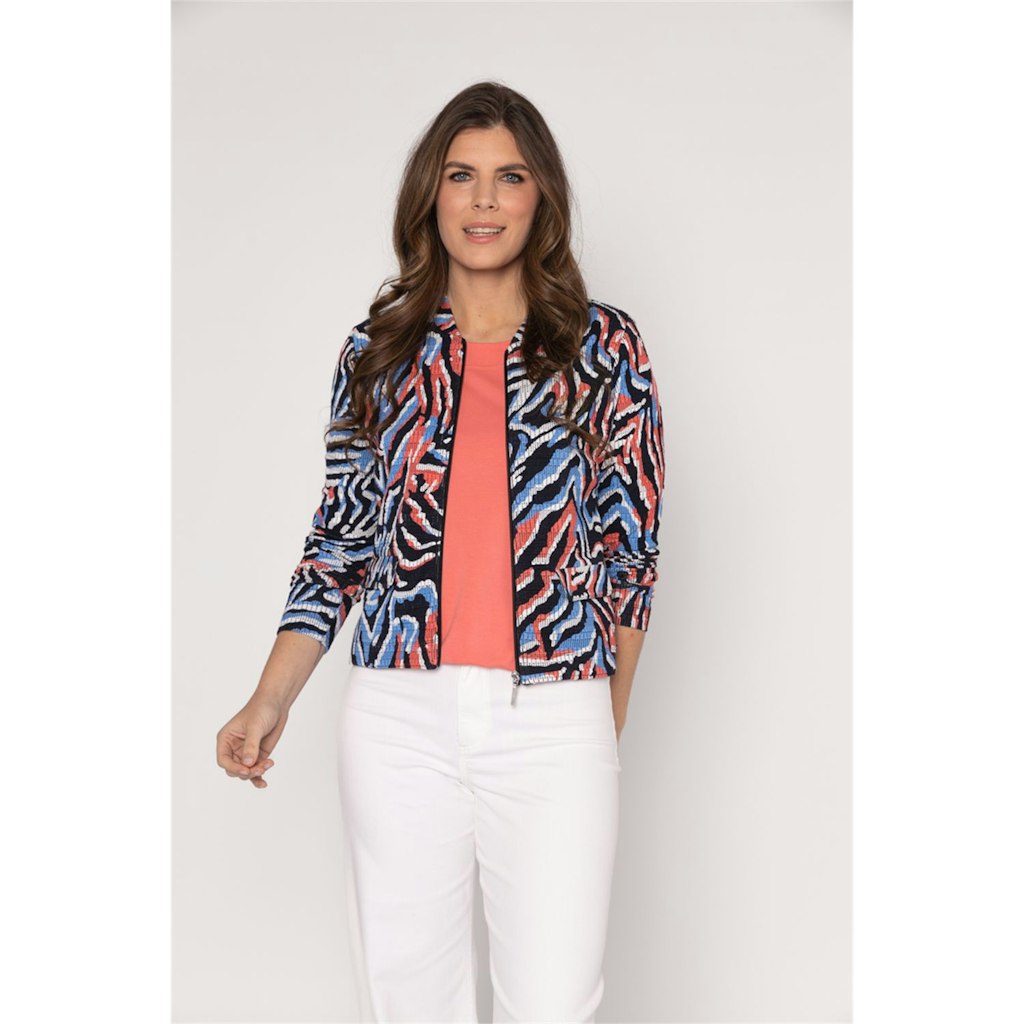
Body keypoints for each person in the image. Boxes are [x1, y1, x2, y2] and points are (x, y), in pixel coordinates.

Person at [216, 81, 666, 1023]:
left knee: (555, 1002)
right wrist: (270, 698)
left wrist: (600, 716)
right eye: (462, 176)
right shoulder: (378, 352)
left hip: (554, 710)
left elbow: (630, 555)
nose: (484, 200)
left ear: (542, 198)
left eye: (510, 177)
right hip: (397, 717)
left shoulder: (602, 349)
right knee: (409, 1000)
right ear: (431, 193)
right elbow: (339, 540)